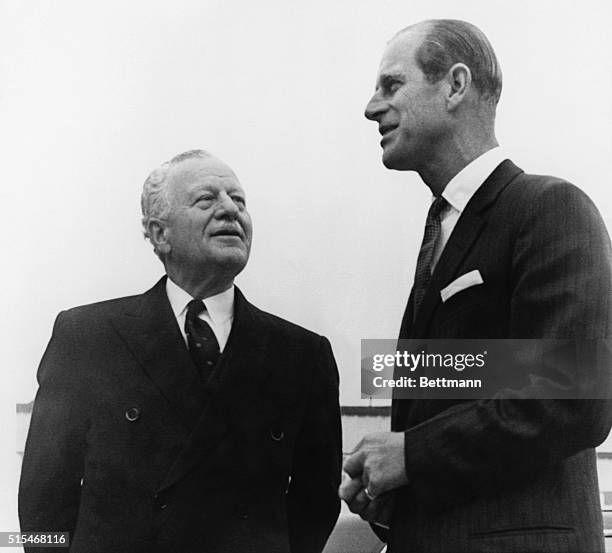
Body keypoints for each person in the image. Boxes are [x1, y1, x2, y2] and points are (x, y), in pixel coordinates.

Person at [339, 19, 612, 553]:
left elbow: (575, 396)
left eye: (391, 85)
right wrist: (397, 493)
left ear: (455, 86)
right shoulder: (440, 232)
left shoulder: (550, 208)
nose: (371, 108)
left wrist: (411, 455)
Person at [19, 150, 342, 553]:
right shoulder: (86, 336)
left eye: (239, 200)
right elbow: (40, 500)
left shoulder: (302, 356)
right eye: (207, 199)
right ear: (160, 234)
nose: (230, 210)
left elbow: (317, 504)